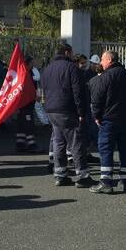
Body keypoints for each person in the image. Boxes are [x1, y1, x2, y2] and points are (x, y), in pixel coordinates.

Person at [41, 43, 93, 187]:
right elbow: (78, 92)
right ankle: (83, 175)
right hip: (67, 110)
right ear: (67, 52)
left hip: (52, 110)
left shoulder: (48, 68)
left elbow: (44, 88)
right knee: (76, 143)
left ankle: (60, 174)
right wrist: (81, 112)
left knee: (58, 142)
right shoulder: (71, 68)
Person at [89, 51, 126, 194]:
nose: (101, 63)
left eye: (103, 60)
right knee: (125, 149)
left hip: (108, 120)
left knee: (105, 149)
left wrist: (96, 116)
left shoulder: (104, 77)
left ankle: (106, 182)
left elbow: (97, 100)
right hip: (125, 120)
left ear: (109, 60)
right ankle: (125, 181)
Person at [15, 55, 41, 153]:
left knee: (21, 123)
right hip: (26, 103)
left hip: (25, 103)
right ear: (28, 63)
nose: (33, 64)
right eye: (32, 63)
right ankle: (31, 144)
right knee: (28, 124)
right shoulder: (24, 74)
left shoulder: (26, 72)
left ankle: (20, 143)